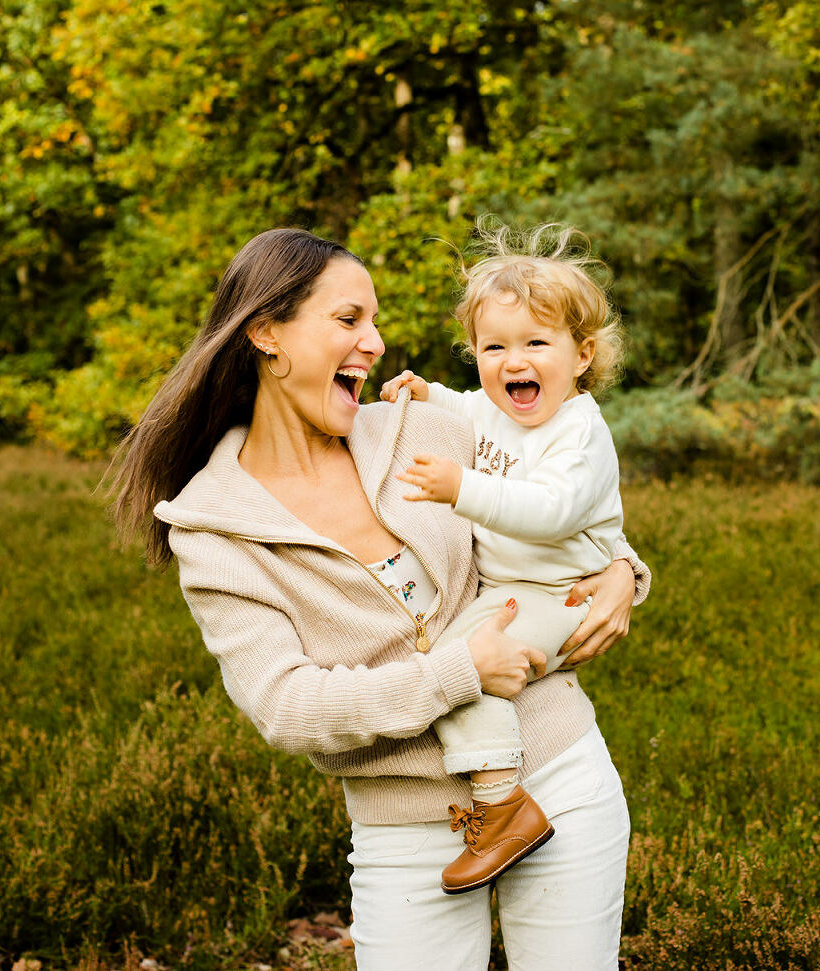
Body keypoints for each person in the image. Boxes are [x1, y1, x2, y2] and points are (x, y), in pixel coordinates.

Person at [105, 227, 649, 970]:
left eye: (374, 320)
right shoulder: (215, 525)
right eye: (348, 319)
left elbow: (559, 507)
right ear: (266, 333)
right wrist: (459, 671)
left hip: (559, 772)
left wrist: (623, 570)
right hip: (405, 830)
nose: (375, 341)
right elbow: (286, 705)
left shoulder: (422, 429)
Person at [378, 222, 628, 896]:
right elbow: (467, 407)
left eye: (535, 343)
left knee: (469, 671)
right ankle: (499, 801)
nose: (513, 361)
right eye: (494, 347)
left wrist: (461, 487)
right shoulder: (497, 409)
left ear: (582, 354)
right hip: (512, 587)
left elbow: (551, 512)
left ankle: (501, 805)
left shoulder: (579, 432)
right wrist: (428, 392)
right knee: (453, 665)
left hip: (560, 593)